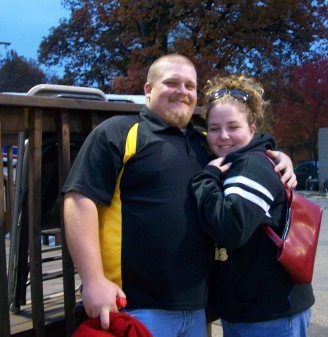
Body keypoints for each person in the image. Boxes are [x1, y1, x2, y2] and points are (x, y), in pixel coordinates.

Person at [62, 54, 296, 337]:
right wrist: (92, 280)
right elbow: (78, 201)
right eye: (172, 83)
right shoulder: (119, 132)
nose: (182, 92)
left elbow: (246, 147)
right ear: (148, 90)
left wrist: (279, 156)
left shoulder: (205, 145)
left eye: (190, 86)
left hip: (197, 310)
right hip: (136, 307)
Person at [191, 75, 314, 337]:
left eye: (233, 127)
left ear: (252, 128)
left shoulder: (250, 167)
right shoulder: (238, 162)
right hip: (254, 309)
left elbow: (231, 229)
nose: (223, 136)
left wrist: (204, 179)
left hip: (269, 314)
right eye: (214, 128)